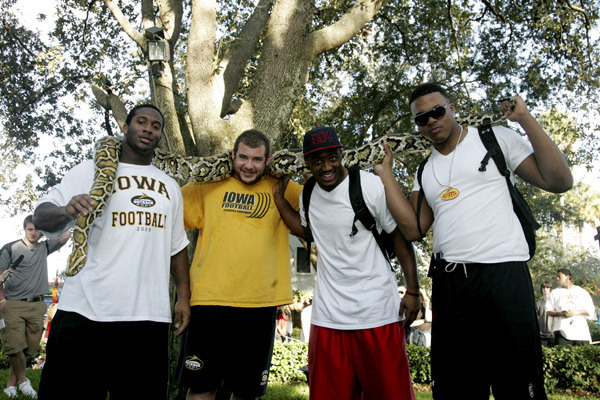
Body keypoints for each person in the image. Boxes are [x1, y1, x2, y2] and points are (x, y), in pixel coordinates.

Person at [376, 82, 573, 399]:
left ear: (451, 109)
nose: (431, 121)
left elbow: (559, 180)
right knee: (457, 388)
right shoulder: (425, 170)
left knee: (518, 385)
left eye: (437, 111)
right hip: (451, 284)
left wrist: (524, 119)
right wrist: (386, 174)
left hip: (504, 275)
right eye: (422, 118)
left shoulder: (494, 138)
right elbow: (413, 229)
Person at [33, 104, 191, 400]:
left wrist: (184, 297)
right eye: (141, 122)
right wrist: (67, 211)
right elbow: (40, 217)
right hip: (84, 310)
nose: (148, 129)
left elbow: (177, 247)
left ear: (159, 135)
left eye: (155, 126)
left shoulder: (170, 186)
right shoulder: (88, 171)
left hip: (147, 315)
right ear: (125, 127)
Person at [273, 126, 420, 400]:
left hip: (377, 314)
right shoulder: (308, 193)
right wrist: (279, 201)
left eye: (332, 157)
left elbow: (399, 236)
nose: (326, 167)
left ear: (342, 154)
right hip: (328, 318)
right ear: (307, 163)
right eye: (317, 160)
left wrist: (413, 290)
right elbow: (307, 231)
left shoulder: (369, 184)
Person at [176, 129, 303, 400]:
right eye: (243, 157)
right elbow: (167, 211)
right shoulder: (207, 184)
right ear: (232, 155)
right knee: (201, 388)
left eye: (256, 159)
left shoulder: (283, 187)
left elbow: (318, 213)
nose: (249, 165)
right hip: (209, 301)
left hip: (260, 302)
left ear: (268, 160)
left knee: (247, 391)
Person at [0, 215, 69, 398]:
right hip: (13, 303)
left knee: (27, 349)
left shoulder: (44, 247)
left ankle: (10, 386)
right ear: (24, 229)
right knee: (14, 346)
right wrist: (2, 301)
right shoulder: (10, 248)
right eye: (30, 229)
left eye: (37, 230)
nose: (33, 233)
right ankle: (24, 382)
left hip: (37, 305)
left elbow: (65, 236)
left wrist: (57, 221)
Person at [546, 268, 596, 346]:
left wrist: (576, 312)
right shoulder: (554, 293)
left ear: (568, 277)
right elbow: (548, 311)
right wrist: (561, 314)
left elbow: (590, 311)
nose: (557, 278)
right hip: (562, 332)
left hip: (581, 333)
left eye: (559, 276)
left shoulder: (582, 292)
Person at [536, 281, 555, 346]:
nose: (545, 289)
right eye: (543, 287)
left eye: (547, 287)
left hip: (553, 334)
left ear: (550, 289)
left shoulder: (554, 303)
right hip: (541, 334)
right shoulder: (538, 303)